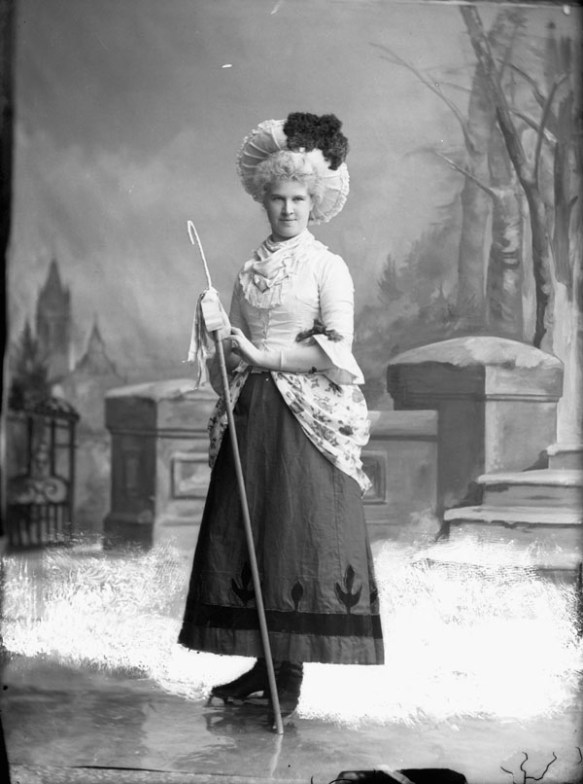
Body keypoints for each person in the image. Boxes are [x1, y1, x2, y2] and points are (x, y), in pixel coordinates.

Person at [178, 112, 384, 723]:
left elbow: (337, 347)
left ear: (314, 202)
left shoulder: (328, 266)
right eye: (279, 198)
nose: (289, 209)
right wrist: (214, 327)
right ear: (264, 200)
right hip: (251, 409)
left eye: (299, 199)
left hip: (305, 416)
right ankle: (266, 664)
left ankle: (288, 675)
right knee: (253, 530)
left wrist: (265, 354)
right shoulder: (246, 270)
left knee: (298, 529)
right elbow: (228, 354)